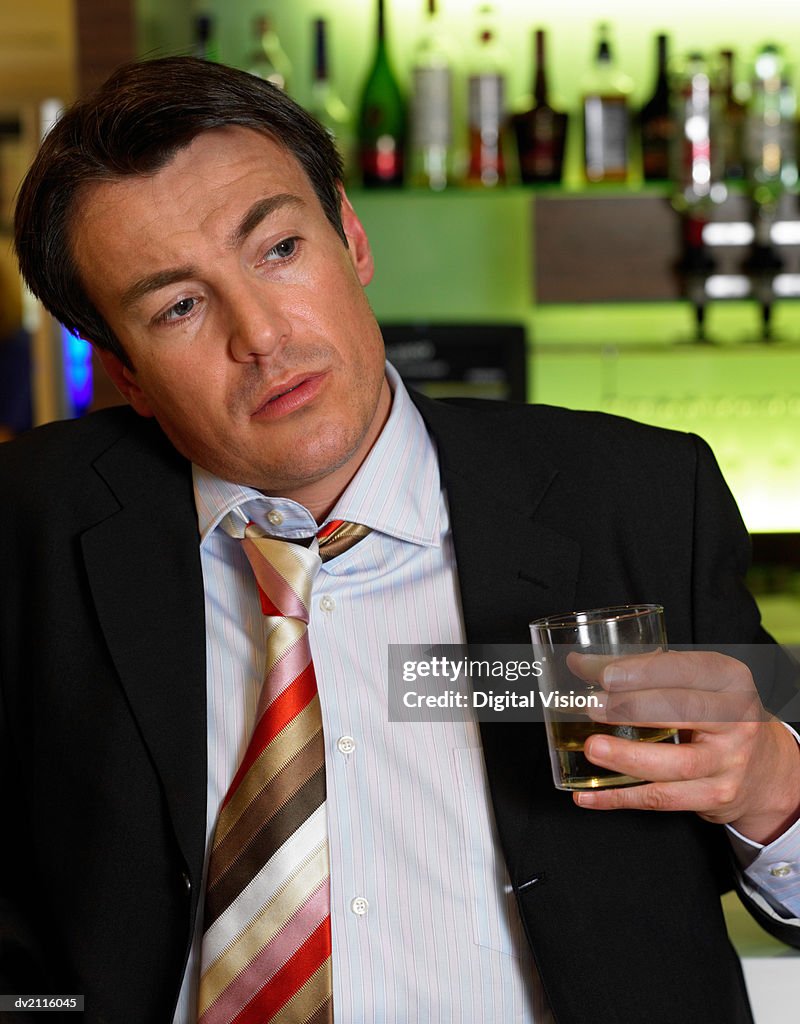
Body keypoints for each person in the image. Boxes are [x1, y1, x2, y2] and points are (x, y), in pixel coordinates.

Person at [2, 56, 799, 1024]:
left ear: (349, 236)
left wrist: (770, 791)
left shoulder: (629, 496)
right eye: (179, 306)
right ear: (124, 372)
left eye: (280, 249)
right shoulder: (29, 524)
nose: (259, 334)